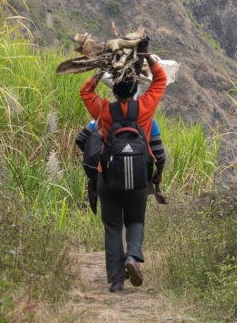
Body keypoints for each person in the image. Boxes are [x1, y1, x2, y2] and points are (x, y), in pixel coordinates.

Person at [78, 52, 167, 292]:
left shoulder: (104, 111)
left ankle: (117, 281)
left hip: (107, 176)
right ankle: (133, 257)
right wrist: (148, 55)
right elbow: (160, 80)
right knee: (136, 219)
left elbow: (85, 92)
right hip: (139, 177)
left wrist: (98, 70)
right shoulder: (146, 108)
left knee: (113, 226)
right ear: (135, 88)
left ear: (114, 90)